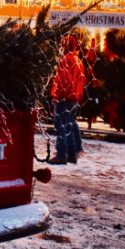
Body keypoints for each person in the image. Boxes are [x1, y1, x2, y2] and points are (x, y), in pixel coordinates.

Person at [48, 36, 86, 165]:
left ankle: (62, 154)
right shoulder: (78, 60)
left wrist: (56, 95)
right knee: (70, 125)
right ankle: (72, 153)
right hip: (74, 97)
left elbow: (63, 81)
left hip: (65, 97)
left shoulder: (66, 60)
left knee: (60, 126)